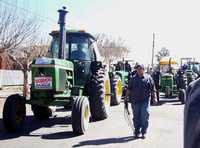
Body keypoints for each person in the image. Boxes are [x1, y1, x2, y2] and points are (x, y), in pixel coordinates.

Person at [126, 63, 157, 139]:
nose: (139, 70)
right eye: (138, 69)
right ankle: (137, 131)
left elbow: (153, 89)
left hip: (145, 101)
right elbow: (129, 89)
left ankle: (144, 132)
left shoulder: (148, 78)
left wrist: (154, 98)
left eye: (141, 69)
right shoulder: (132, 79)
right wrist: (126, 98)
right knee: (136, 117)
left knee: (144, 115)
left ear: (144, 69)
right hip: (135, 101)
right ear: (136, 70)